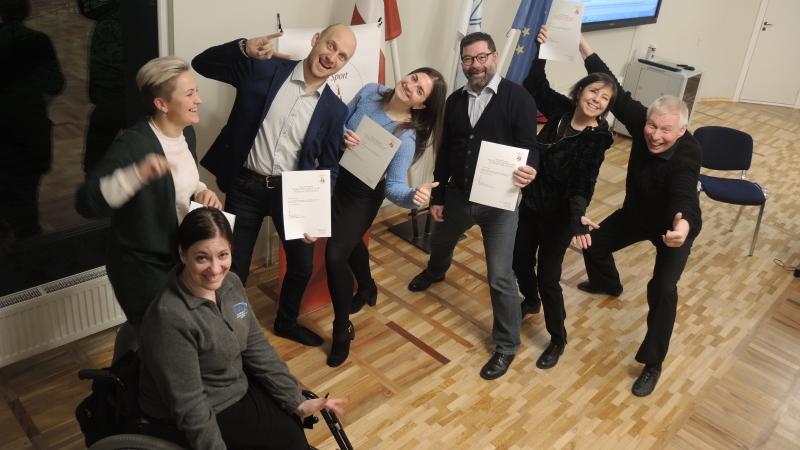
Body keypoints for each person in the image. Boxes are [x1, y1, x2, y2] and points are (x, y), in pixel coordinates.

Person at [192, 24, 357, 348]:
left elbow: (329, 166)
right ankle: (230, 335)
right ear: (316, 40)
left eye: (342, 56)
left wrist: (315, 214)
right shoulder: (264, 68)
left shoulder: (335, 110)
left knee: (302, 266)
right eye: (330, 46)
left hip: (293, 194)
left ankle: (286, 322)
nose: (331, 57)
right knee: (233, 269)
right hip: (245, 185)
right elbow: (202, 64)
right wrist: (242, 48)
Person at [138, 207, 345, 450]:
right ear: (183, 254)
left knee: (292, 430)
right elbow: (190, 406)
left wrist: (295, 400)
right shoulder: (170, 317)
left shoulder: (231, 284)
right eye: (202, 257)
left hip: (234, 382)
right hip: (206, 406)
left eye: (223, 255)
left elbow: (257, 347)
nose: (215, 269)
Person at [406, 32, 539, 380]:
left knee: (499, 277)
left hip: (500, 206)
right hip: (460, 197)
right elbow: (446, 151)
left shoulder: (519, 98)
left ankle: (507, 345)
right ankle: (436, 272)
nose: (475, 65)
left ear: (494, 58)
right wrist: (437, 197)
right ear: (462, 62)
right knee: (440, 243)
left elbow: (530, 147)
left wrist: (531, 170)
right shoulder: (453, 101)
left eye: (481, 57)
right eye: (468, 59)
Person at [575, 34, 702, 397]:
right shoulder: (642, 122)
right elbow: (615, 90)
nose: (655, 135)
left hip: (673, 227)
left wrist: (683, 226)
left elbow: (684, 194)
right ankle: (608, 284)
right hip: (636, 214)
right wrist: (584, 46)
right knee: (591, 244)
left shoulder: (688, 154)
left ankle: (653, 362)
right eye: (652, 126)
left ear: (681, 131)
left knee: (662, 289)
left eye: (666, 131)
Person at [75, 56, 221, 356]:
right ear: (162, 104)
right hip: (140, 268)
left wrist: (203, 191)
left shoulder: (186, 132)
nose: (200, 100)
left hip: (176, 257)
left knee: (153, 333)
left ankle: (122, 375)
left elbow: (185, 182)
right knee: (160, 340)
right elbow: (86, 201)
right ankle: (128, 390)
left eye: (197, 91)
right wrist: (137, 174)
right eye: (190, 94)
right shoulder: (134, 145)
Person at [325, 68, 447, 367]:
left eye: (420, 91)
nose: (411, 86)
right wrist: (342, 136)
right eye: (414, 78)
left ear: (420, 105)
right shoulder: (369, 91)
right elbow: (337, 124)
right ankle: (367, 286)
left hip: (362, 196)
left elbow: (394, 187)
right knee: (351, 242)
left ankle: (341, 329)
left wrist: (412, 197)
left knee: (334, 254)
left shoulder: (406, 137)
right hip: (333, 178)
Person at [513, 25, 616, 370]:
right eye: (594, 91)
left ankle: (557, 339)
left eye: (605, 98)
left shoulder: (596, 140)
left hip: (559, 218)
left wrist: (576, 221)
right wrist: (543, 52)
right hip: (530, 204)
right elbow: (534, 87)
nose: (597, 99)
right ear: (581, 90)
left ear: (605, 108)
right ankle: (530, 302)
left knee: (548, 278)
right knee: (518, 262)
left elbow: (582, 185)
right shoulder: (560, 110)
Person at [0, 0, 64, 240]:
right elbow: (55, 83)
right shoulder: (38, 40)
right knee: (28, 184)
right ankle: (28, 235)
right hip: (30, 120)